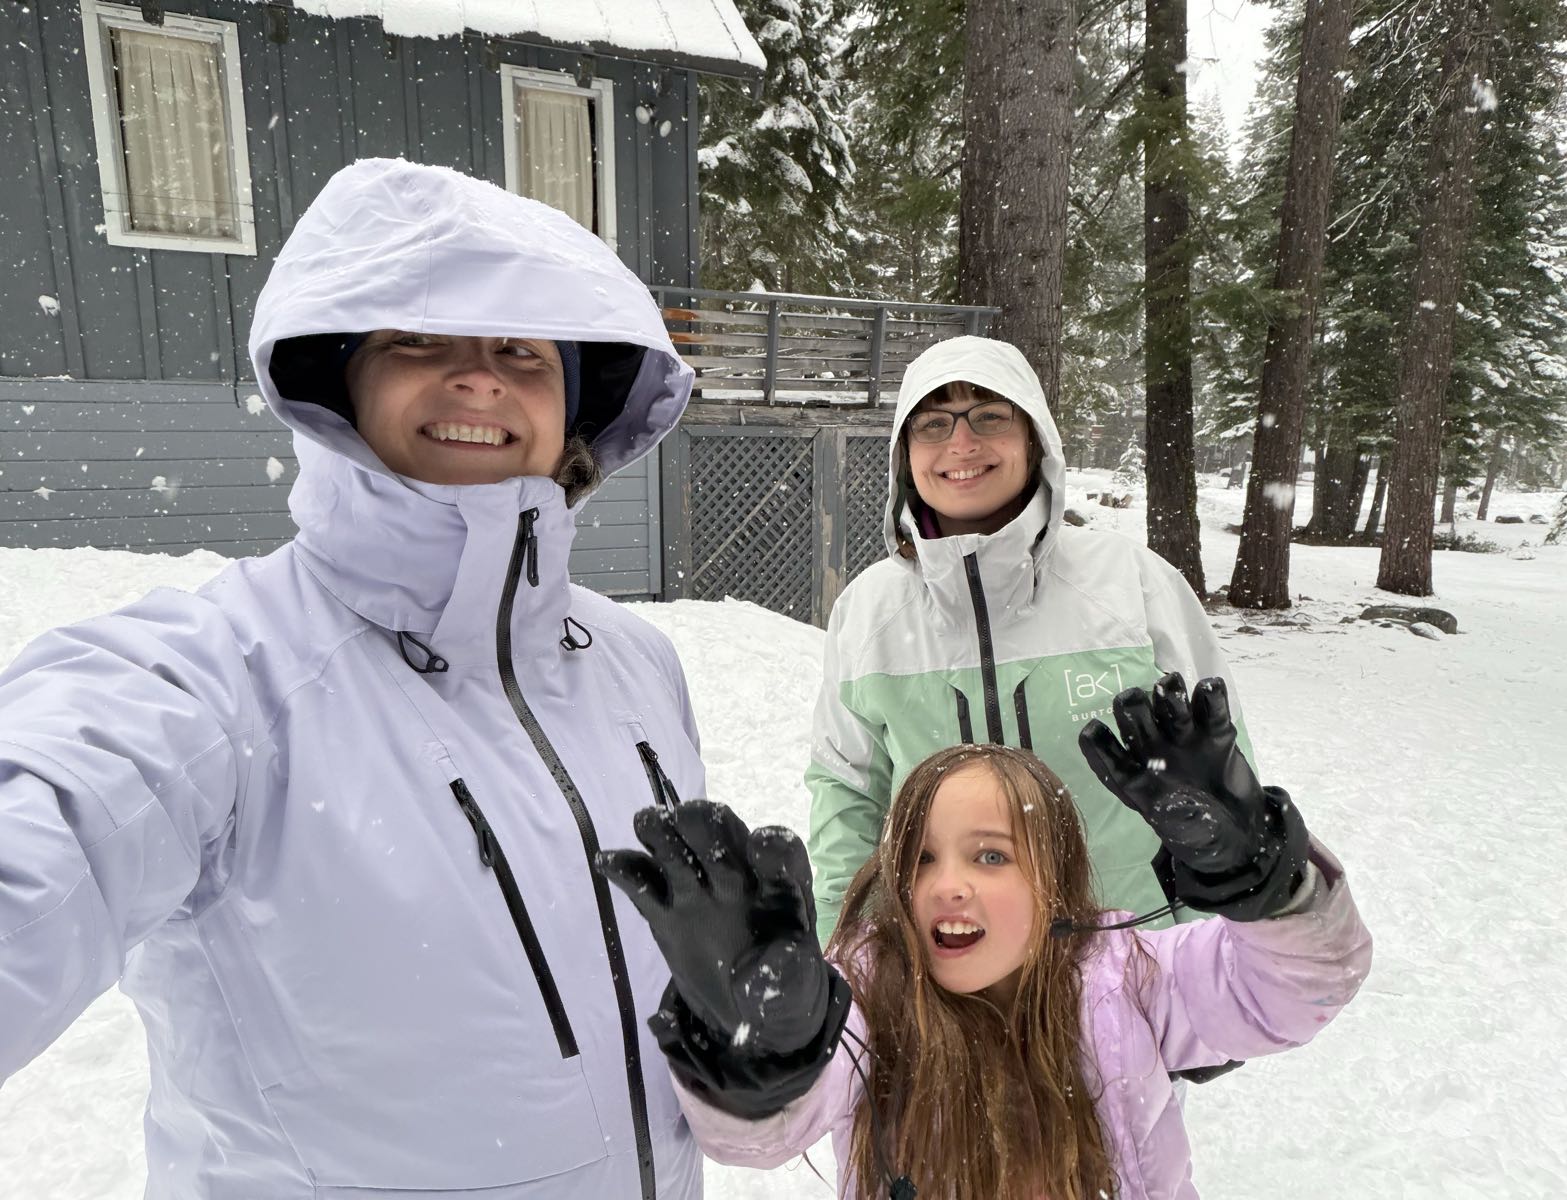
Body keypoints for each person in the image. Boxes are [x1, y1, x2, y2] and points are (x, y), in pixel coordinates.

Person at [0, 159, 711, 1198]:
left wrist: (758, 1049)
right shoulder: (216, 676)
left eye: (522, 350)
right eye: (419, 339)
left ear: (573, 405)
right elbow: (47, 824)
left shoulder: (635, 661)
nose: (480, 378)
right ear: (341, 383)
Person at [599, 673, 1373, 1199]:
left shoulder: (1128, 976)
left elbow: (1290, 991)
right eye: (921, 858)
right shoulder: (864, 1002)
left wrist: (1262, 877)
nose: (948, 884)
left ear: (1054, 881)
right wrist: (767, 1053)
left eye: (991, 855)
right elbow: (761, 1140)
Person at [807, 336, 1256, 947]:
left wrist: (1219, 945)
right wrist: (848, 952)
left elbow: (1224, 765)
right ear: (904, 455)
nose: (961, 444)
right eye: (933, 424)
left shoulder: (1131, 584)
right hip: (948, 963)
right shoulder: (869, 610)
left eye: (990, 416)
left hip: (1133, 957)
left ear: (1034, 438)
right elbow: (847, 795)